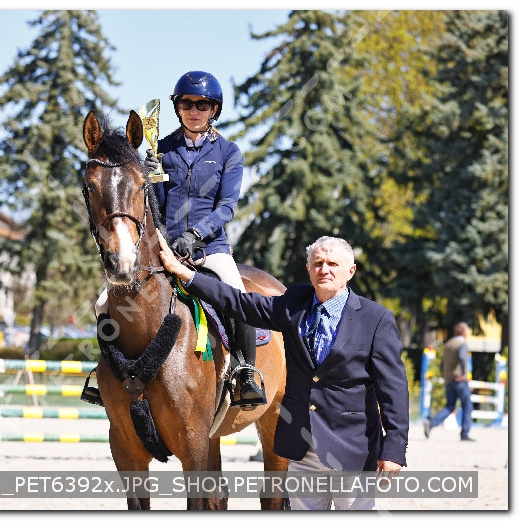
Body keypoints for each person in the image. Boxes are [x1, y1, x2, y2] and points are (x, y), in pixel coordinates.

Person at [157, 231, 409, 510]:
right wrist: (185, 274)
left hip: (352, 449)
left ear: (351, 271)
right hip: (302, 448)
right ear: (308, 269)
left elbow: (393, 390)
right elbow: (241, 304)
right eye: (317, 263)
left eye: (332, 264)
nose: (323, 270)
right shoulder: (293, 304)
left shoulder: (376, 319)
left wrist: (394, 449)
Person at [94, 70, 265, 407]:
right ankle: (106, 375)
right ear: (178, 107)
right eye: (186, 103)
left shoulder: (229, 152)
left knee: (238, 294)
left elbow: (228, 206)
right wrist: (151, 171)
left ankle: (246, 371)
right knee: (103, 303)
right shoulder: (161, 149)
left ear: (214, 109)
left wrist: (196, 234)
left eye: (202, 104)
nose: (194, 110)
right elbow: (147, 203)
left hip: (208, 247)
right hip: (164, 248)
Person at [423, 322, 475, 441]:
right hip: (460, 379)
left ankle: (431, 423)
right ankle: (465, 434)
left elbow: (442, 364)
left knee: (449, 406)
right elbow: (462, 357)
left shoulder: (448, 344)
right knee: (467, 405)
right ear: (463, 332)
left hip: (449, 379)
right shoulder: (462, 343)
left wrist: (446, 375)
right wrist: (464, 373)